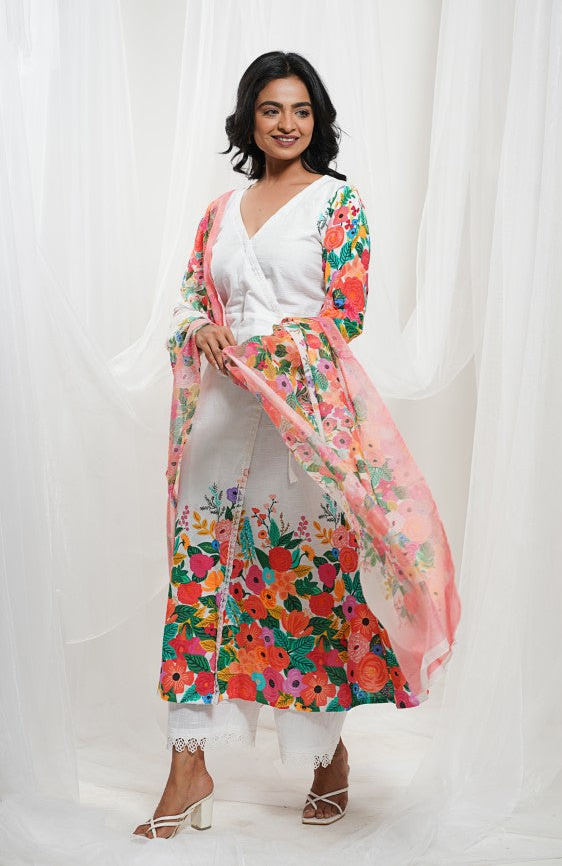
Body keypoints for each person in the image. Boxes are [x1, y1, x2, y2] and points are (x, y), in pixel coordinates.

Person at [133, 50, 460, 841]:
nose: (287, 123)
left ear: (318, 120)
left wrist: (270, 353)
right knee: (200, 583)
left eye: (301, 110)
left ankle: (327, 755)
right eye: (272, 109)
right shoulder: (220, 210)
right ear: (249, 118)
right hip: (218, 422)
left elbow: (344, 314)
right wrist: (200, 328)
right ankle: (187, 765)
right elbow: (189, 298)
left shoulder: (337, 204)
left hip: (303, 427)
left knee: (302, 588)